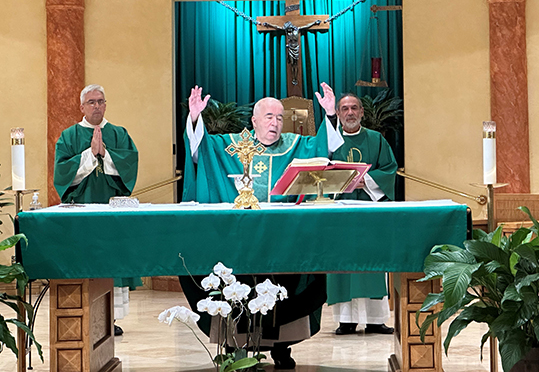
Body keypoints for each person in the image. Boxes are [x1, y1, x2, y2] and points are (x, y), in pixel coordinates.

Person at [179, 83, 342, 369]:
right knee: (239, 287)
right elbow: (200, 150)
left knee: (286, 289)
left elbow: (324, 148)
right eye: (268, 117)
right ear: (253, 121)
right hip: (239, 238)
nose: (275, 123)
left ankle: (282, 347)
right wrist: (194, 118)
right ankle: (237, 346)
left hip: (283, 238)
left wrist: (329, 115)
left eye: (280, 117)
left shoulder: (296, 146)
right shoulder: (233, 145)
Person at [54, 84, 139, 336]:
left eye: (101, 101)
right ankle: (85, 314)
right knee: (86, 260)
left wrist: (106, 153)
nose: (97, 106)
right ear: (81, 107)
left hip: (113, 211)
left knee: (112, 260)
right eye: (91, 102)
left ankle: (109, 319)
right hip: (82, 211)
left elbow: (130, 165)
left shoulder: (118, 134)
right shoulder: (69, 136)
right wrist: (90, 155)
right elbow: (61, 172)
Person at [322, 93, 398, 335]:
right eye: (344, 109)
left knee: (371, 264)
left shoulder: (375, 140)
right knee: (344, 265)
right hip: (340, 214)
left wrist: (369, 181)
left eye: (354, 108)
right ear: (338, 113)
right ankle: (346, 320)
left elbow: (389, 169)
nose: (350, 113)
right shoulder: (329, 142)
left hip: (370, 211)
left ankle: (376, 319)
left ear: (362, 112)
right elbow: (318, 170)